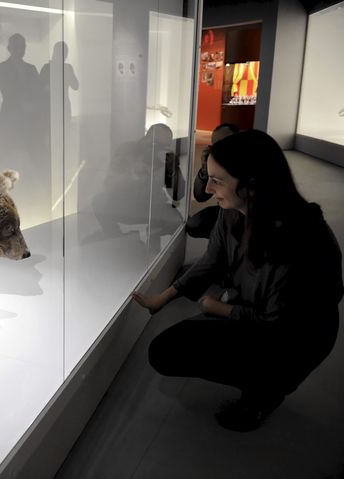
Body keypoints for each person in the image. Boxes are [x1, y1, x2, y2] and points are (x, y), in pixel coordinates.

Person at [132, 129, 343, 432]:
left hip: (295, 340)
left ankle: (264, 394)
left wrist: (220, 309)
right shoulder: (232, 214)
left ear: (252, 185)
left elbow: (277, 326)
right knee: (165, 351)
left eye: (218, 180)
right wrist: (162, 298)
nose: (209, 188)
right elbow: (211, 262)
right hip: (259, 311)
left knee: (180, 350)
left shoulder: (299, 242)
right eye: (209, 177)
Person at [185, 123, 239, 238]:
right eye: (215, 145)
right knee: (194, 225)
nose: (220, 149)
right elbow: (200, 196)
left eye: (225, 143)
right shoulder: (217, 161)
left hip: (245, 212)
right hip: (225, 210)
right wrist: (205, 169)